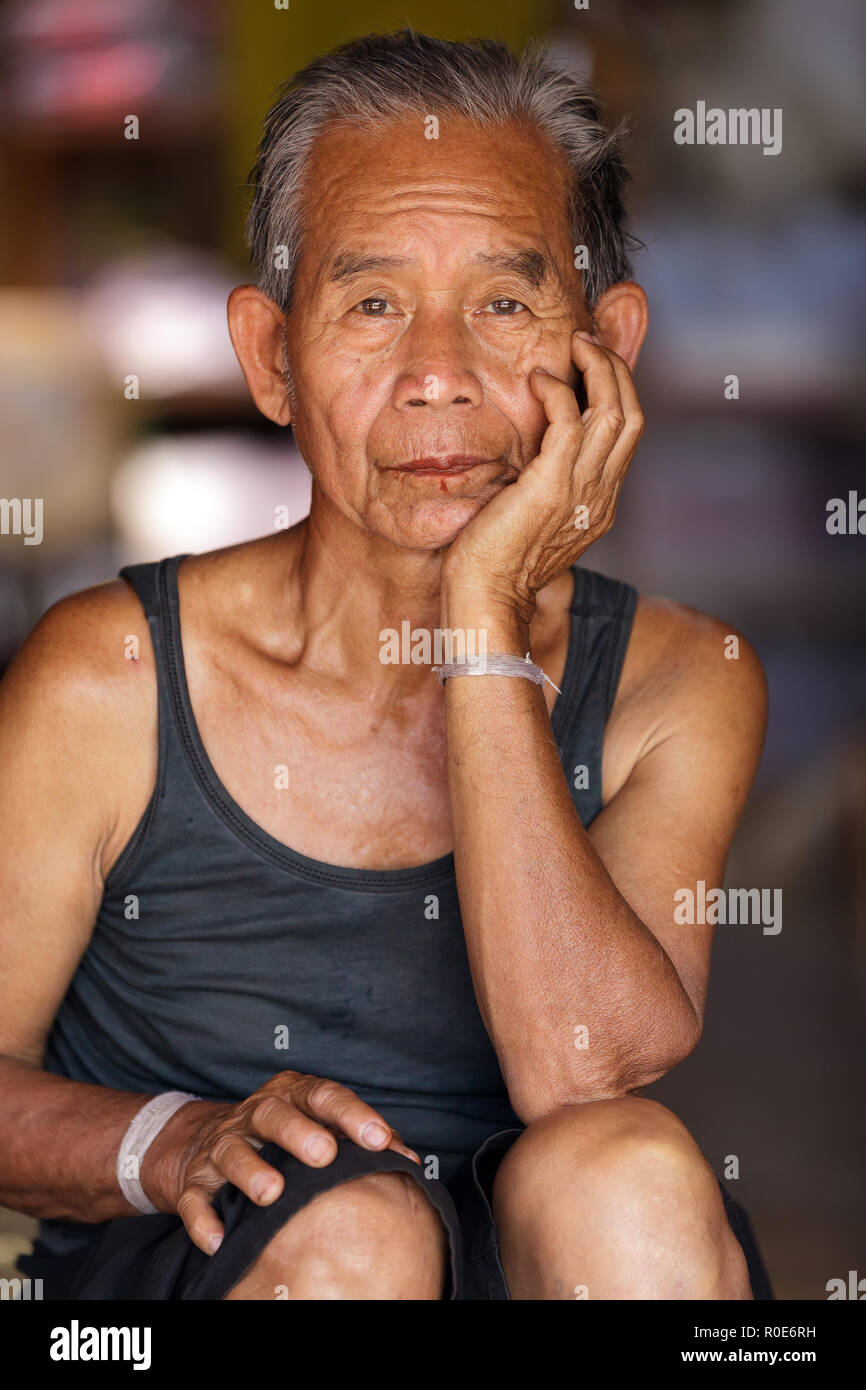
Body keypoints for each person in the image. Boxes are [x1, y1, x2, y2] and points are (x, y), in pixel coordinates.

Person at [1, 29, 772, 1300]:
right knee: (354, 1238)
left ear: (607, 351)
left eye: (505, 303)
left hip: (534, 1258)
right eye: (370, 303)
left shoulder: (675, 682)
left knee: (624, 1172)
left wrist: (480, 627)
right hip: (207, 1272)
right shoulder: (111, 675)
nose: (436, 376)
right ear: (270, 359)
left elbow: (580, 1073)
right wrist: (172, 1138)